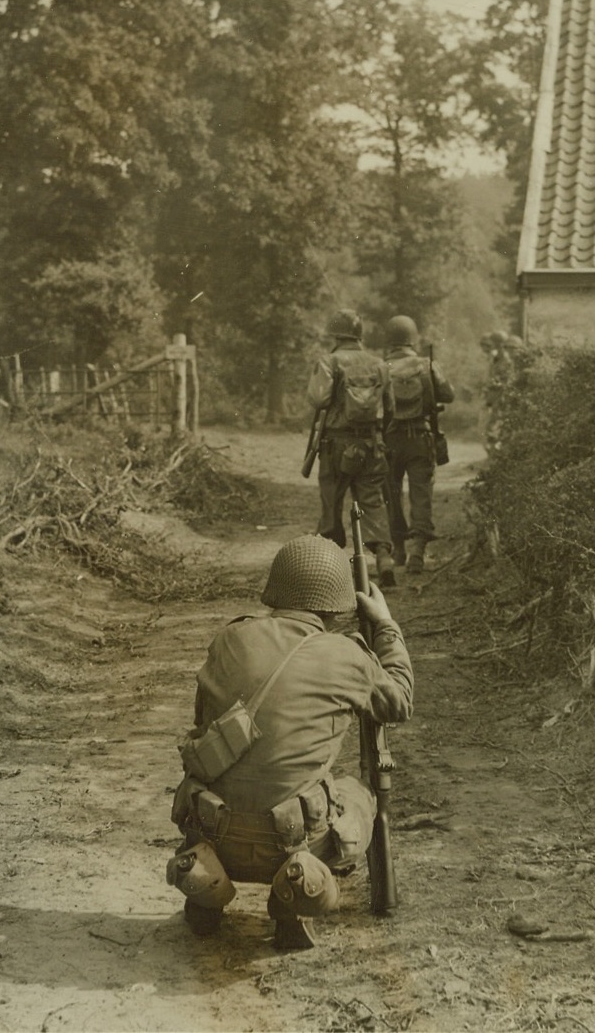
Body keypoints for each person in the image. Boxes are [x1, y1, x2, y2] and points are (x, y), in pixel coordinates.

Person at [167, 534, 413, 950]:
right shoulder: (346, 655)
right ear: (338, 601)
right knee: (359, 793)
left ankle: (207, 887)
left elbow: (201, 724)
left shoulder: (229, 639)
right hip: (292, 839)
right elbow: (400, 701)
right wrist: (385, 626)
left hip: (214, 831)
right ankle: (295, 897)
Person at [306, 309, 397, 586]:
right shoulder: (380, 364)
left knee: (331, 501)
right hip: (370, 443)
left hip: (335, 444)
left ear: (335, 333)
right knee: (372, 500)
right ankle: (384, 558)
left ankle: (330, 567)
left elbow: (317, 399)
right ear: (359, 334)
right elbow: (390, 408)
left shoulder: (329, 361)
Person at [382, 315, 455, 575]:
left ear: (388, 339)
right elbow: (449, 394)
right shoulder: (426, 365)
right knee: (421, 495)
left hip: (389, 440)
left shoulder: (382, 367)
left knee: (391, 496)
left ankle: (398, 549)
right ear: (412, 338)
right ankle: (418, 555)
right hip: (421, 439)